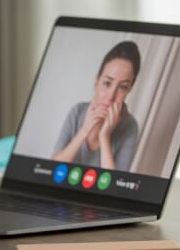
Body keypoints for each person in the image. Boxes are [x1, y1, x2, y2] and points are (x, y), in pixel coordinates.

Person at [51, 41, 141, 171]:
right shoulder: (78, 111)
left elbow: (114, 188)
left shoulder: (129, 126)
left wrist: (104, 137)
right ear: (97, 80)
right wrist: (84, 131)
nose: (111, 96)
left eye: (122, 87)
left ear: (129, 89)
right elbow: (52, 168)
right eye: (107, 83)